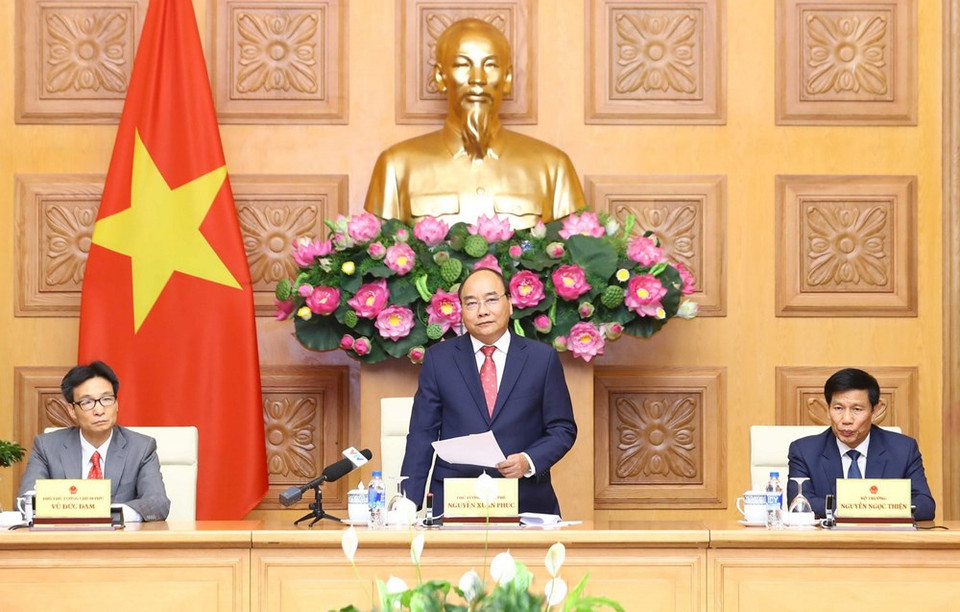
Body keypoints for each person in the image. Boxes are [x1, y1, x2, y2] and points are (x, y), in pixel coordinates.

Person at [364, 18, 585, 230]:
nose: (477, 78)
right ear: (440, 77)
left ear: (507, 78)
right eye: (462, 64)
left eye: (490, 65)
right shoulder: (396, 166)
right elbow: (376, 255)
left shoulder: (553, 167)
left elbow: (579, 256)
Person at [400, 268, 578, 515]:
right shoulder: (439, 359)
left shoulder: (541, 358)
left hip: (524, 498)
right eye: (471, 303)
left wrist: (528, 460)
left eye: (492, 299)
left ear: (510, 304)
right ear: (461, 312)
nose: (482, 310)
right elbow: (422, 432)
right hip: (456, 500)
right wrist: (407, 500)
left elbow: (562, 428)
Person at [18, 361, 170, 522]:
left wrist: (112, 514)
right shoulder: (47, 447)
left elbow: (157, 503)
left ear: (116, 403)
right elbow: (25, 502)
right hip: (64, 540)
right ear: (72, 411)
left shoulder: (141, 448)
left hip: (119, 541)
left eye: (106, 399)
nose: (99, 410)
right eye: (87, 402)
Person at [786, 368, 935, 521]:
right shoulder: (804, 451)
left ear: (875, 411)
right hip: (828, 541)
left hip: (884, 540)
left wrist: (865, 509)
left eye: (857, 409)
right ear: (828, 409)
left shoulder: (903, 449)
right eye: (838, 408)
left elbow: (925, 505)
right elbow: (799, 503)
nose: (846, 419)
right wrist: (866, 508)